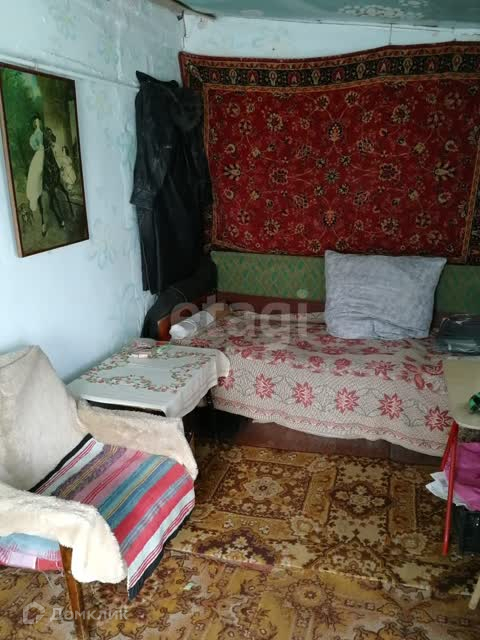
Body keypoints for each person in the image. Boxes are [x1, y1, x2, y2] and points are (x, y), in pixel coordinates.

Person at [26, 115, 44, 215]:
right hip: (39, 153)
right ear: (34, 124)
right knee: (36, 170)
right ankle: (34, 197)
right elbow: (33, 146)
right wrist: (38, 147)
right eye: (36, 122)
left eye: (38, 122)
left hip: (43, 151)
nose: (38, 123)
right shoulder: (34, 135)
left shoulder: (41, 132)